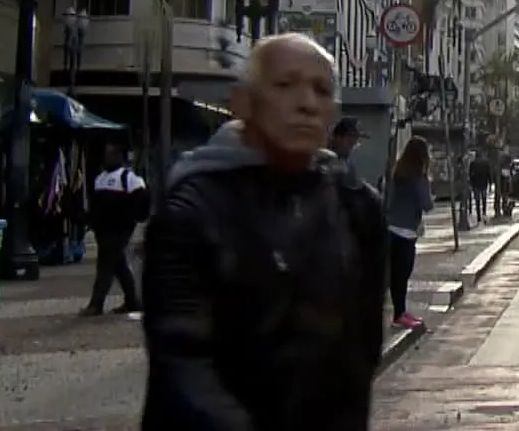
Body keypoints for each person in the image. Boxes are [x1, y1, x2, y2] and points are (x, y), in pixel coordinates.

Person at [141, 34, 386, 431]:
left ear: (333, 112)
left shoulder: (357, 206)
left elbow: (360, 357)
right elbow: (183, 365)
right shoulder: (194, 210)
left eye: (320, 90)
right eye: (284, 85)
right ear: (243, 102)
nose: (306, 103)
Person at [82, 144, 146, 317]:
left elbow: (142, 204)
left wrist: (130, 219)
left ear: (120, 156)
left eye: (111, 154)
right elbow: (95, 205)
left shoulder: (130, 178)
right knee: (118, 265)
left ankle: (96, 303)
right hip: (103, 230)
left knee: (105, 264)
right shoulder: (100, 179)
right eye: (106, 154)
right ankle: (133, 301)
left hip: (120, 230)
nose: (107, 157)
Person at [384, 136, 434, 330]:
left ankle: (400, 312)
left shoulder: (398, 173)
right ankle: (399, 314)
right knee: (402, 275)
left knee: (394, 275)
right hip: (406, 233)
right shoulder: (418, 178)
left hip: (392, 228)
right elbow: (427, 204)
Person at [467, 151, 492, 222]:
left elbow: (470, 174)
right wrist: (490, 183)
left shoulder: (473, 163)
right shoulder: (486, 162)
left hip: (475, 184)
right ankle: (484, 212)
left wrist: (471, 183)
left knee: (477, 200)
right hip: (484, 183)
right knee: (484, 198)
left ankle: (478, 215)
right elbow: (489, 173)